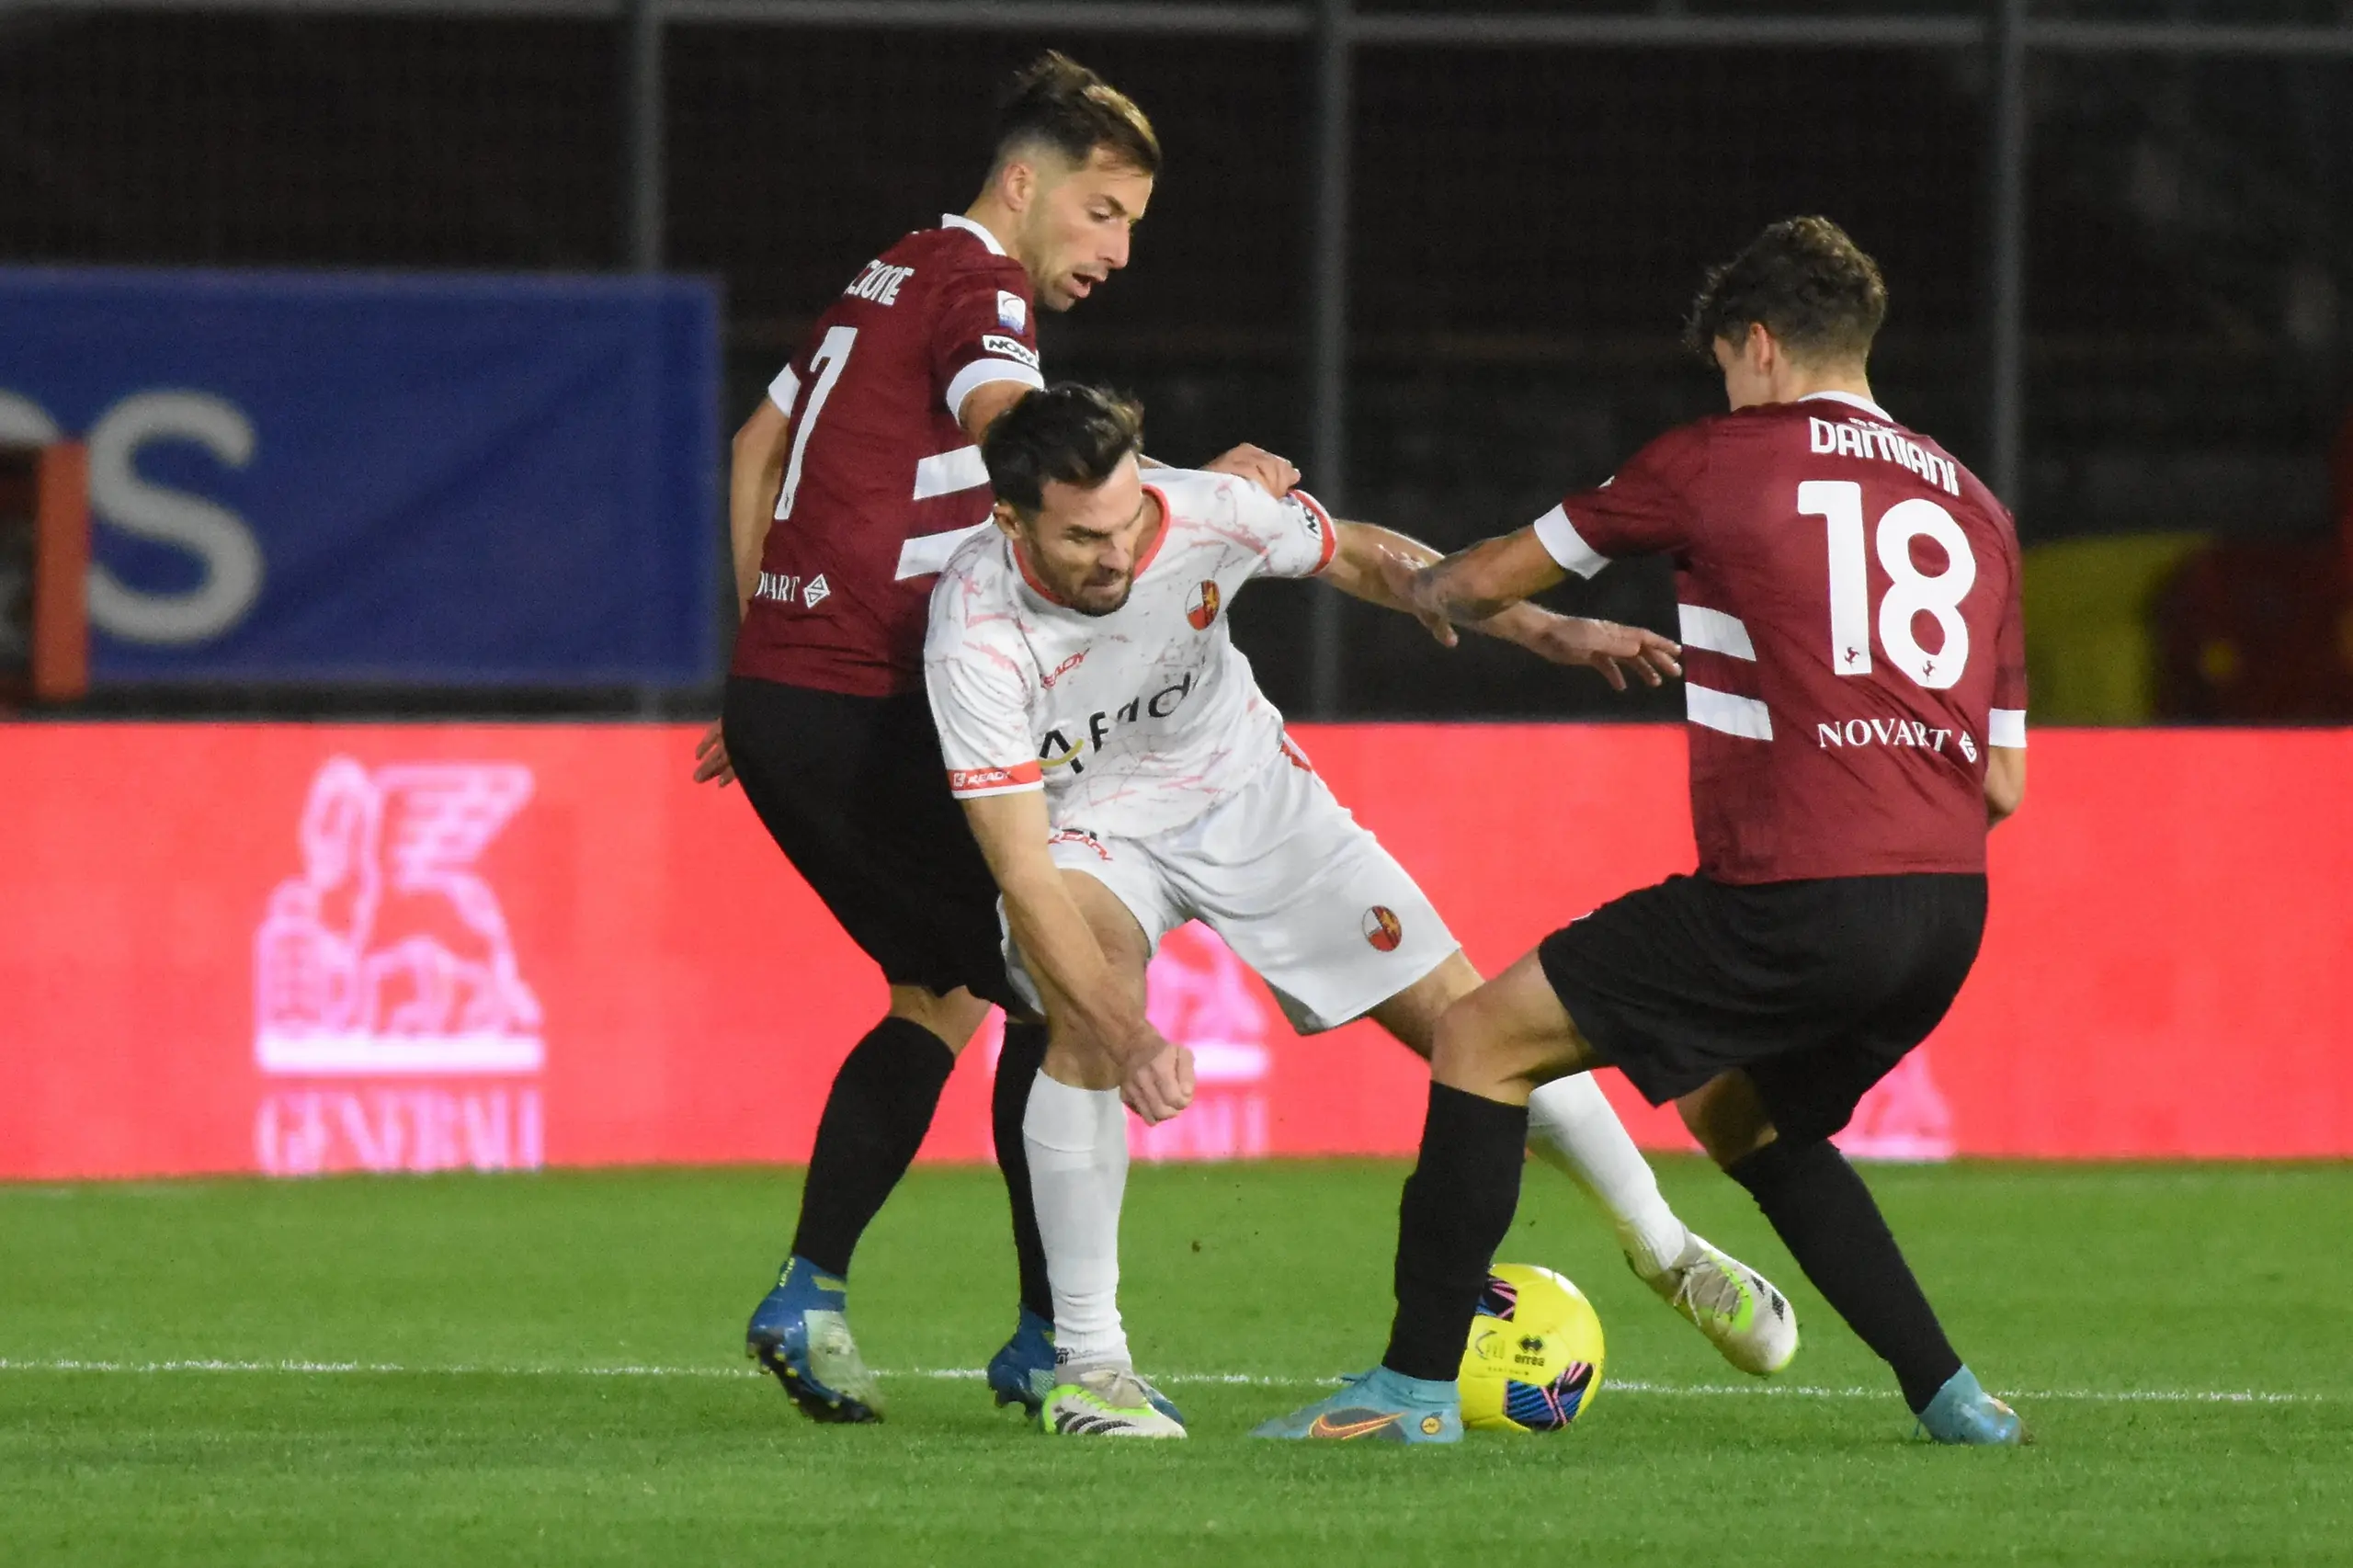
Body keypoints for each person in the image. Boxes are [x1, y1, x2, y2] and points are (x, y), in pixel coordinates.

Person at [1256, 216, 2030, 1445]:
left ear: (1759, 346)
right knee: (1745, 1110)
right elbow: (2001, 781)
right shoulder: (1976, 504)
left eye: (1727, 365)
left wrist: (1423, 584)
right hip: (1946, 907)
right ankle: (1956, 1396)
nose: (1726, 389)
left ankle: (1407, 1392)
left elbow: (1487, 577)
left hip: (1794, 888)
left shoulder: (1719, 458)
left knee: (1479, 1037)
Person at [926, 383, 1801, 1438]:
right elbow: (1021, 868)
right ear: (1010, 520)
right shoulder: (972, 629)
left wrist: (1539, 628)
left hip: (1249, 793)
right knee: (1084, 1012)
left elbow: (1357, 553)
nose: (1117, 553)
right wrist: (1131, 1034)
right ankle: (1091, 1368)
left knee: (1484, 1024)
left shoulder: (1201, 509)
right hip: (1088, 833)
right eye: (1083, 539)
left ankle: (1666, 1248)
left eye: (1127, 521)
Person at [693, 51, 1297, 1425]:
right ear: (1025, 185)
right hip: (858, 700)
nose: (1118, 249)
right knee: (1053, 974)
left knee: (943, 990)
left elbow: (750, 447)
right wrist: (1201, 497)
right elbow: (1016, 429)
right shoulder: (980, 289)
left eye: (1133, 223)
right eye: (1103, 211)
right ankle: (1048, 1336)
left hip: (797, 690)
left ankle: (819, 1290)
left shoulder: (888, 268)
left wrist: (762, 648)